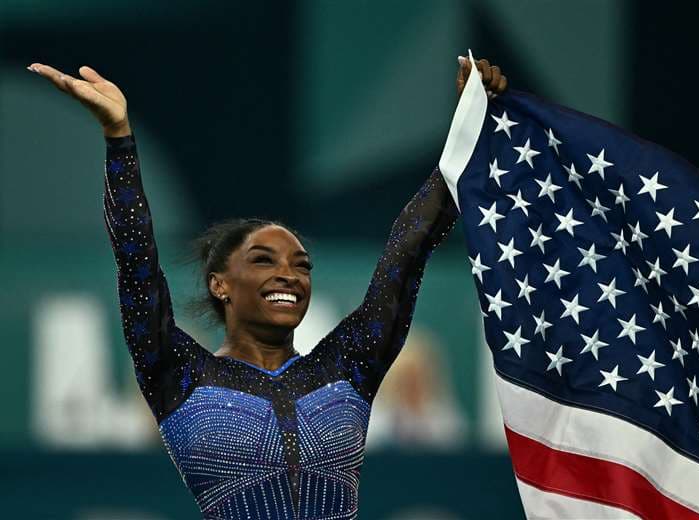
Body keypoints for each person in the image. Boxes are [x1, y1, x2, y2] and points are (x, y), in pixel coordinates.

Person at [27, 56, 506, 519]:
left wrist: (469, 129)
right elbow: (137, 264)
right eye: (263, 260)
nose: (290, 275)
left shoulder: (347, 365)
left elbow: (408, 252)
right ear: (220, 284)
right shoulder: (180, 375)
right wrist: (119, 139)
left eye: (302, 265)